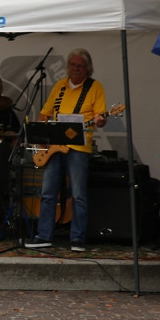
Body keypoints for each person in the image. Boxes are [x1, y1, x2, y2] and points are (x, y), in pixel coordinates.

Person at [25, 49, 108, 252]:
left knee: (78, 194)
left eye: (79, 66)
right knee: (47, 193)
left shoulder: (95, 87)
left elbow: (101, 118)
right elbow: (45, 114)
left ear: (88, 68)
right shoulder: (60, 86)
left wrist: (101, 119)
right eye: (72, 65)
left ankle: (77, 239)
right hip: (54, 147)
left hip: (79, 147)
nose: (75, 69)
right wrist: (41, 138)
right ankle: (44, 236)